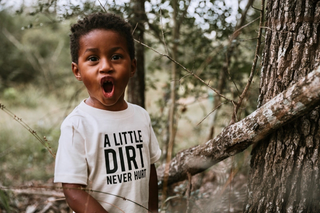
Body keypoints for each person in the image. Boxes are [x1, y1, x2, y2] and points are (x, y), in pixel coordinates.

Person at [54, 13, 161, 213]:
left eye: (116, 57)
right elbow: (72, 191)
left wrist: (153, 210)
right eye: (93, 59)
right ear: (77, 71)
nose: (106, 67)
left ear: (132, 66)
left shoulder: (141, 116)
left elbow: (150, 170)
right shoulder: (77, 124)